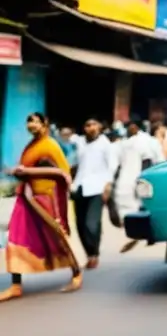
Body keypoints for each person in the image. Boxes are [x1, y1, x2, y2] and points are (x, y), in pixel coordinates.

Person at [0, 112, 80, 302]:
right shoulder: (31, 146)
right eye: (29, 121)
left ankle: (76, 272)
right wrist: (17, 172)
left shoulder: (51, 145)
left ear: (45, 124)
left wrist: (27, 171)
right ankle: (16, 285)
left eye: (35, 121)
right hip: (26, 197)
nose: (31, 125)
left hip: (44, 198)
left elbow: (63, 171)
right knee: (15, 238)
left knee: (55, 237)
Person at [71, 118, 117, 270]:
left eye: (93, 124)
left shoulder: (105, 144)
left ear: (100, 126)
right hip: (79, 186)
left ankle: (94, 254)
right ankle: (89, 254)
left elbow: (112, 166)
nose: (90, 128)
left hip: (98, 188)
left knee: (91, 223)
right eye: (87, 125)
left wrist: (108, 186)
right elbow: (74, 163)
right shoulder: (79, 143)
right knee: (80, 224)